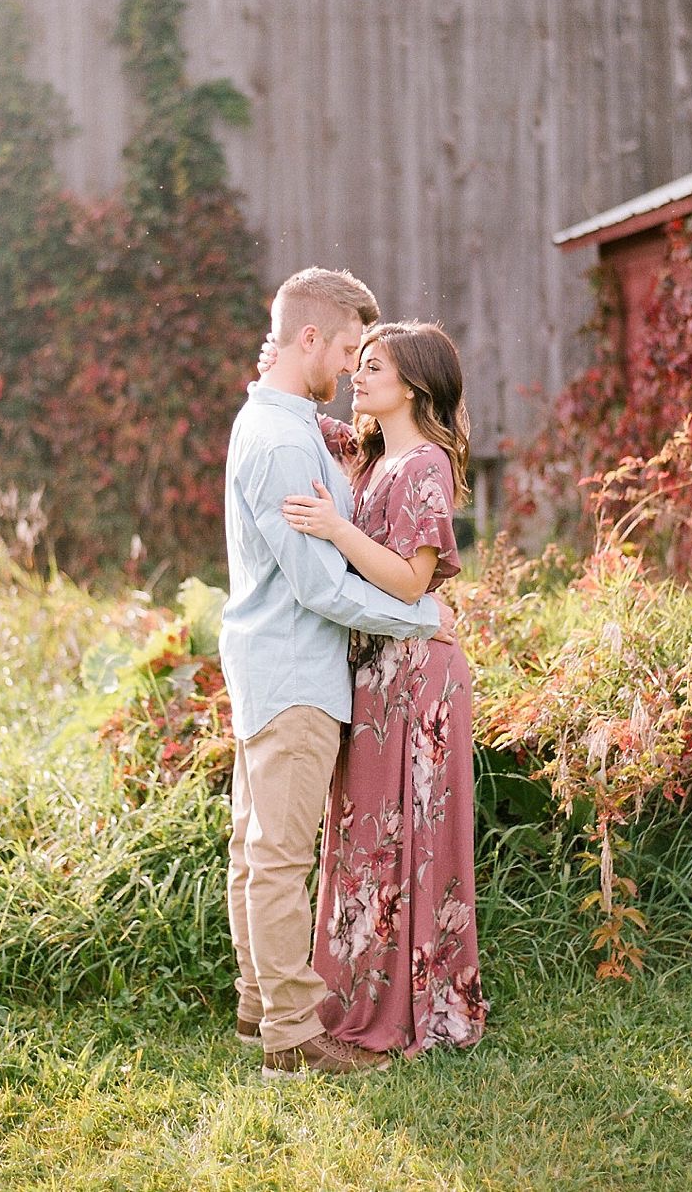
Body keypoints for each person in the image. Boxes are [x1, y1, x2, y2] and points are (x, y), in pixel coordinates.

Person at [219, 268, 454, 1081]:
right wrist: (426, 616)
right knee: (279, 856)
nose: (355, 367)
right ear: (310, 338)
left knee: (256, 851)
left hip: (263, 663)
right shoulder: (284, 439)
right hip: (293, 668)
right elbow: (321, 586)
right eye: (351, 346)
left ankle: (259, 1006)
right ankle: (290, 1031)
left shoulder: (278, 423)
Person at [280, 320, 488, 1057]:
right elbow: (304, 411)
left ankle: (419, 1004)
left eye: (373, 366)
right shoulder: (369, 457)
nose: (358, 375)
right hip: (373, 674)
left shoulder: (424, 463)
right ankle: (356, 995)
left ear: (413, 384)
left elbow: (409, 581)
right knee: (367, 834)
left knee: (413, 837)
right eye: (357, 362)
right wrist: (282, 364)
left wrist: (337, 530)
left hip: (419, 675)